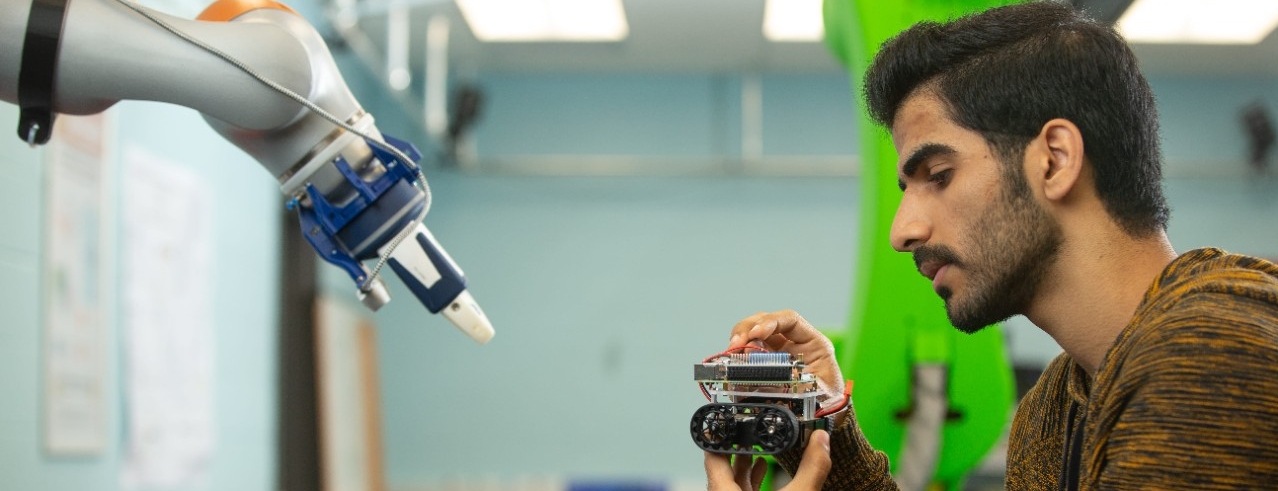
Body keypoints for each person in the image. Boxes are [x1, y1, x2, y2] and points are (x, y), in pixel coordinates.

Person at [703, 2, 1278, 490]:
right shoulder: (1054, 406)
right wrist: (827, 418)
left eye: (939, 174)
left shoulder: (1208, 353)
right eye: (906, 188)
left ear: (1053, 160)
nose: (901, 231)